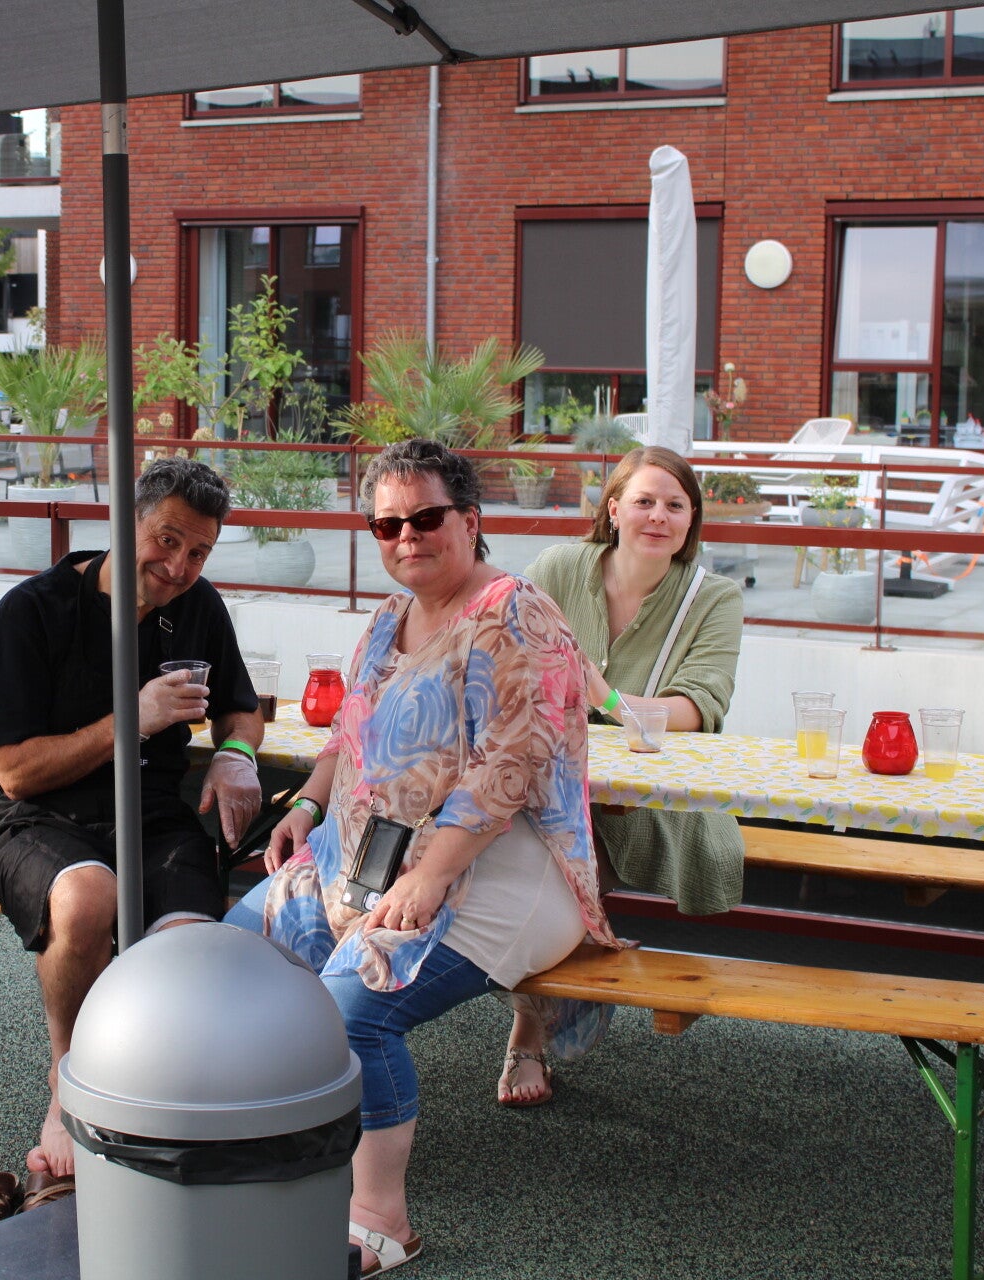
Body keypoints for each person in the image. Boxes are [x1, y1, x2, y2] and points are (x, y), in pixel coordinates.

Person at [225, 439, 618, 1277]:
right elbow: (350, 733)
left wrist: (431, 876)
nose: (407, 536)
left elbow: (512, 764)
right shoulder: (386, 618)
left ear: (470, 521)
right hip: (366, 852)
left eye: (426, 517)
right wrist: (306, 808)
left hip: (501, 870)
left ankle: (381, 1218)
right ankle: (283, 1148)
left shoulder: (517, 614)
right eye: (387, 524)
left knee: (353, 1005)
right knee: (234, 958)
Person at [0, 458, 263, 1209]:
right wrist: (135, 716)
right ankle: (69, 1085)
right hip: (45, 817)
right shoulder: (29, 612)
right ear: (124, 523)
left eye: (199, 552)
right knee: (88, 899)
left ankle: (155, 1098)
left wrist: (234, 755)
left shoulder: (198, 605)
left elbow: (241, 706)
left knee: (189, 946)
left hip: (155, 812)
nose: (179, 566)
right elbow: (15, 773)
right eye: (166, 540)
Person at [502, 445, 744, 1104]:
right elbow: (501, 654)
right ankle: (551, 998)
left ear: (692, 520)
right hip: (547, 782)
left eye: (675, 505)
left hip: (651, 799)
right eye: (644, 501)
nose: (658, 516)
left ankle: (529, 1032)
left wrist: (603, 697)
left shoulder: (714, 598)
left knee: (557, 853)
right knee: (512, 840)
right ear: (612, 509)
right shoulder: (558, 569)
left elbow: (696, 708)